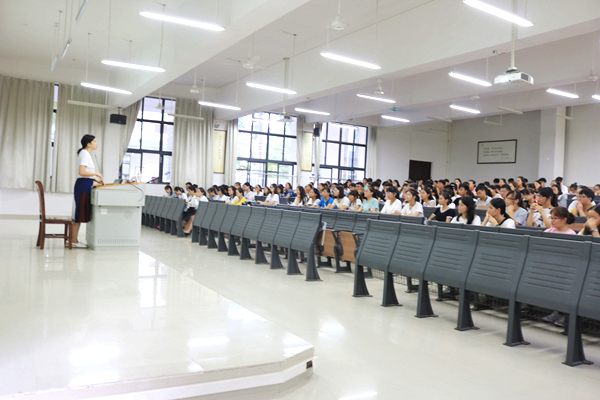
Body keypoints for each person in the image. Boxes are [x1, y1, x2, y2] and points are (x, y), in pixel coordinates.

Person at [70, 135, 103, 248]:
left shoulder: (85, 154)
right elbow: (82, 172)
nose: (97, 143)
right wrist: (96, 174)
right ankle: (73, 241)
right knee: (78, 214)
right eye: (95, 141)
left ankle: (72, 240)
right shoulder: (84, 153)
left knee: (78, 214)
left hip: (85, 183)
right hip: (83, 185)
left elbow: (85, 172)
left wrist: (95, 179)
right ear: (88, 144)